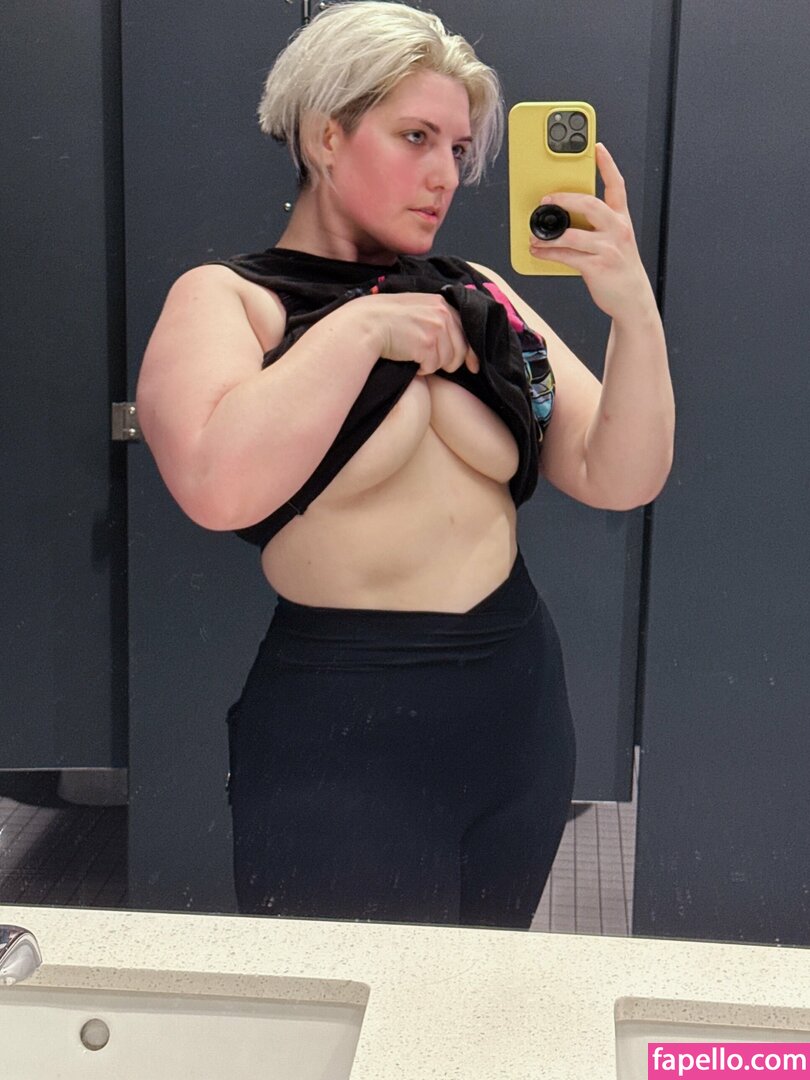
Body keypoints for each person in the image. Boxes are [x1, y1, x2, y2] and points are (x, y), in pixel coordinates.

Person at [136, 1, 674, 928]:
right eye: (416, 136)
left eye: (457, 149)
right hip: (344, 718)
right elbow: (215, 486)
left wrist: (633, 310)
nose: (445, 175)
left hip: (516, 699)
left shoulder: (480, 296)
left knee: (480, 988)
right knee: (346, 1000)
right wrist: (360, 329)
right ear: (326, 136)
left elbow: (617, 472)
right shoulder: (231, 300)